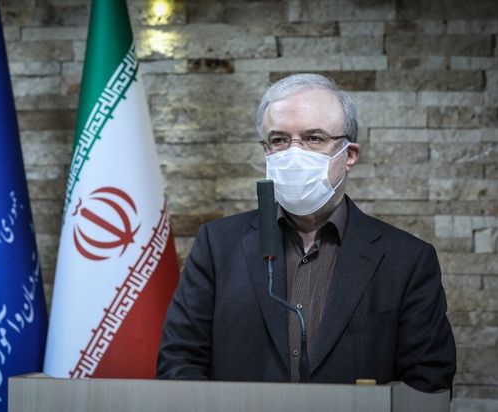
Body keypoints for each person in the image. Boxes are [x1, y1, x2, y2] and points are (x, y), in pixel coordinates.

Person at [156, 73, 456, 393]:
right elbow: (179, 360)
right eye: (279, 140)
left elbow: (429, 379)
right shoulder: (218, 246)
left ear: (349, 155)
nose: (294, 154)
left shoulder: (407, 260)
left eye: (314, 138)